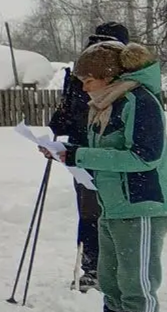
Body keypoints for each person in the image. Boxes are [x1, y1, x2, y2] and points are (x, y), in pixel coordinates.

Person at [48, 39, 167, 312]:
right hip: (111, 205)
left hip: (141, 205)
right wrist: (66, 152)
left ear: (108, 76)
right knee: (112, 281)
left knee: (137, 283)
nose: (83, 86)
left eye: (89, 79)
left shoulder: (139, 101)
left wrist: (82, 155)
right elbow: (99, 154)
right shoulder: (105, 105)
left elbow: (146, 156)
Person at [49, 21, 132, 292]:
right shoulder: (80, 76)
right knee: (89, 213)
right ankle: (92, 268)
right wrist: (59, 124)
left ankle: (108, 268)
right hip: (81, 155)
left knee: (106, 214)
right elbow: (72, 112)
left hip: (104, 156)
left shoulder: (121, 81)